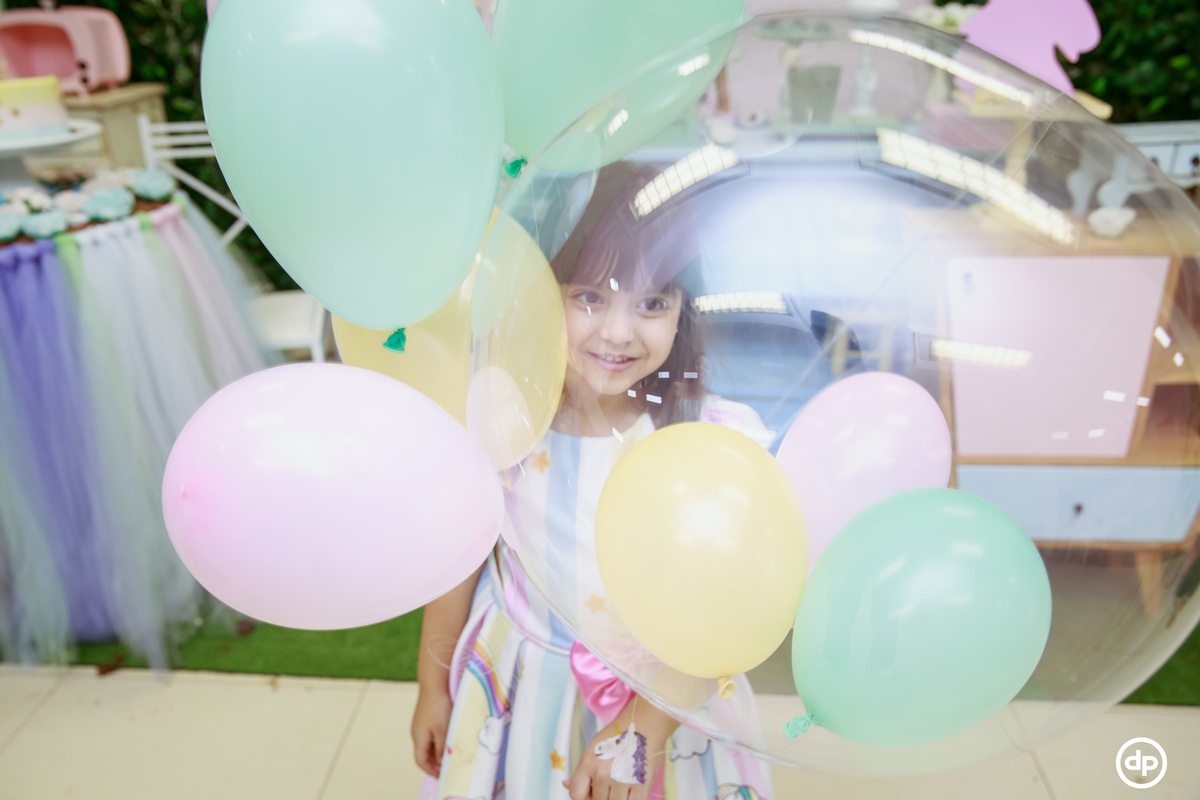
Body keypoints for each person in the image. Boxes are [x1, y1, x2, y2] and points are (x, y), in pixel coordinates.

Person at [413, 163, 774, 800]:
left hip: (668, 704)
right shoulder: (503, 420)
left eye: (652, 303)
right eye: (589, 297)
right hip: (526, 684)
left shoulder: (711, 442)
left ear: (684, 310)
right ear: (542, 294)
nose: (618, 332)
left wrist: (644, 727)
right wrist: (431, 685)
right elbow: (458, 561)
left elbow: (733, 610)